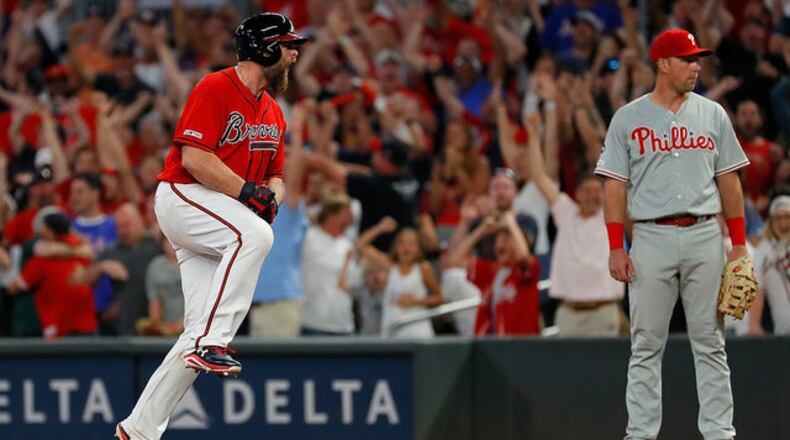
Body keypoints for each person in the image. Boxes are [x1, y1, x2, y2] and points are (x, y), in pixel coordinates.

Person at [115, 12, 306, 440]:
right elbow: (194, 160)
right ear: (264, 48)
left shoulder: (274, 112)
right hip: (185, 196)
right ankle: (214, 341)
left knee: (194, 333)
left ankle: (138, 430)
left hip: (218, 217)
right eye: (288, 45)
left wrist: (270, 195)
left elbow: (276, 173)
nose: (294, 54)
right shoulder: (216, 86)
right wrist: (246, 193)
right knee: (255, 235)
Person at [595, 30, 749, 440]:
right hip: (650, 237)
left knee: (711, 342)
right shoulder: (628, 117)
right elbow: (614, 185)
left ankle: (720, 433)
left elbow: (729, 178)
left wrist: (738, 244)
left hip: (703, 234)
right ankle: (641, 434)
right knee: (645, 346)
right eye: (688, 59)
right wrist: (616, 247)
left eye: (698, 59)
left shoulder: (713, 113)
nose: (697, 66)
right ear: (663, 64)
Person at [357, 216, 442, 337]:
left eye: (411, 244)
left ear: (418, 248)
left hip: (418, 331)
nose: (406, 248)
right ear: (396, 246)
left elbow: (439, 298)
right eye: (402, 243)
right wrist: (380, 228)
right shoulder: (389, 266)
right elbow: (361, 245)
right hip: (392, 331)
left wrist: (416, 301)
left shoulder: (424, 268)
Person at [748, 195, 790, 335]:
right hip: (784, 331)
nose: (783, 223)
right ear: (771, 221)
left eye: (787, 217)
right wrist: (754, 324)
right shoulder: (763, 252)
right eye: (778, 218)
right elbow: (758, 291)